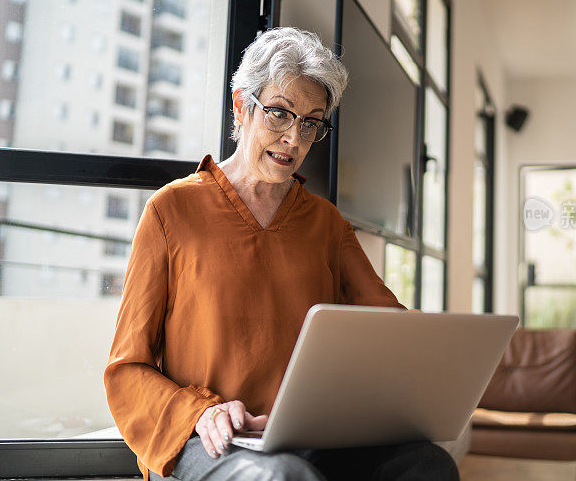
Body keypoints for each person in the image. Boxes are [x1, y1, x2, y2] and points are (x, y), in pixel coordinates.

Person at [104, 27, 459, 481]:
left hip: (309, 435)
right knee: (283, 477)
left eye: (311, 122)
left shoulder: (327, 224)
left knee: (427, 465)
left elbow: (390, 333)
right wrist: (200, 412)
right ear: (241, 106)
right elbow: (126, 369)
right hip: (212, 438)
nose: (294, 138)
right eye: (279, 114)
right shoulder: (171, 210)